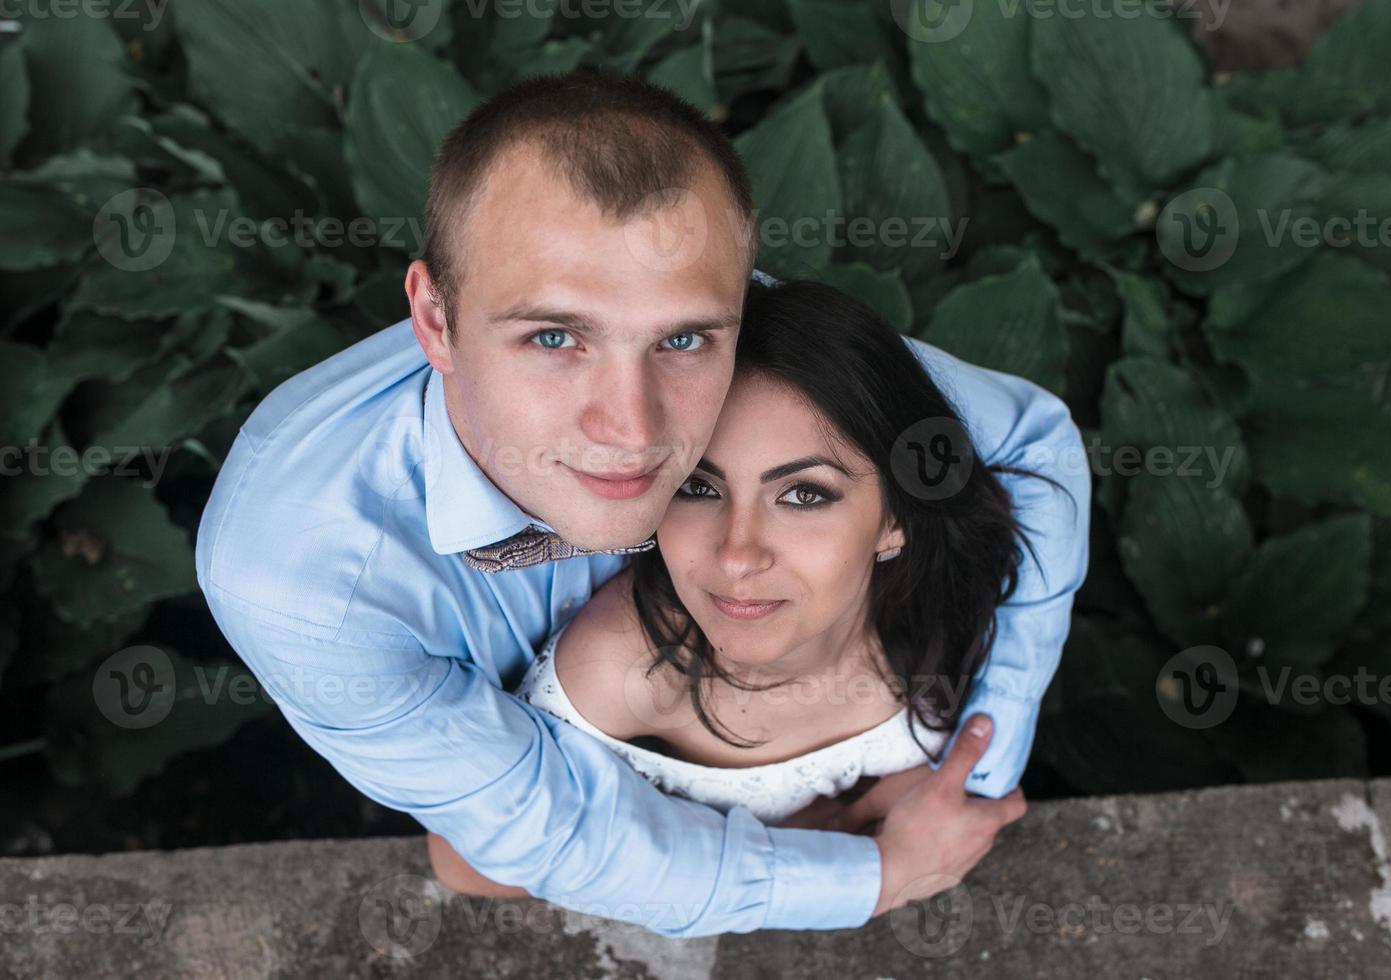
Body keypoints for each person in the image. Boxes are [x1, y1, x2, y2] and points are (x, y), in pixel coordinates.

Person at [195, 69, 1090, 937]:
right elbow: (545, 831)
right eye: (554, 337)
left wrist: (970, 764)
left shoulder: (756, 338)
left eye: (685, 340)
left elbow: (1025, 444)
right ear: (434, 320)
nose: (631, 428)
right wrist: (875, 875)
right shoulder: (298, 576)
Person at [422, 277, 1066, 900]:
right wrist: (801, 854)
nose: (737, 556)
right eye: (698, 488)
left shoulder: (949, 607)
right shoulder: (622, 672)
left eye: (804, 495)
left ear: (896, 520)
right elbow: (468, 863)